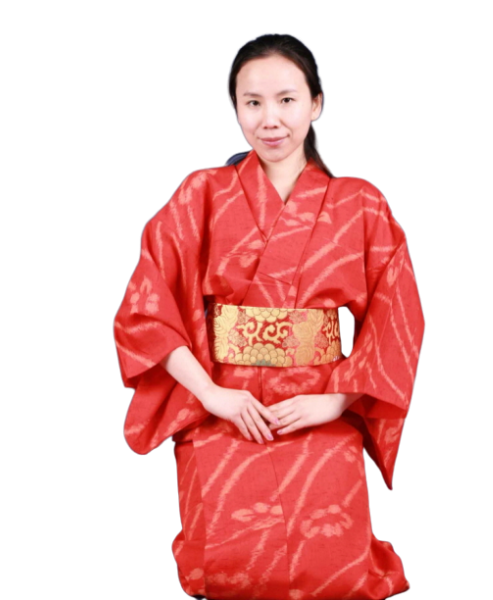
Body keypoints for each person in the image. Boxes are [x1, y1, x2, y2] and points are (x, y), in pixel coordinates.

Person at [113, 32, 426, 600]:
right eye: (252, 102)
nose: (270, 119)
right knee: (223, 571)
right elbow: (145, 308)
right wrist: (212, 396)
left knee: (341, 571)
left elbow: (397, 314)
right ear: (235, 109)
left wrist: (337, 401)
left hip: (317, 406)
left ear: (316, 103)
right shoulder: (201, 193)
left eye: (286, 100)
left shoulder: (360, 202)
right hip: (227, 407)